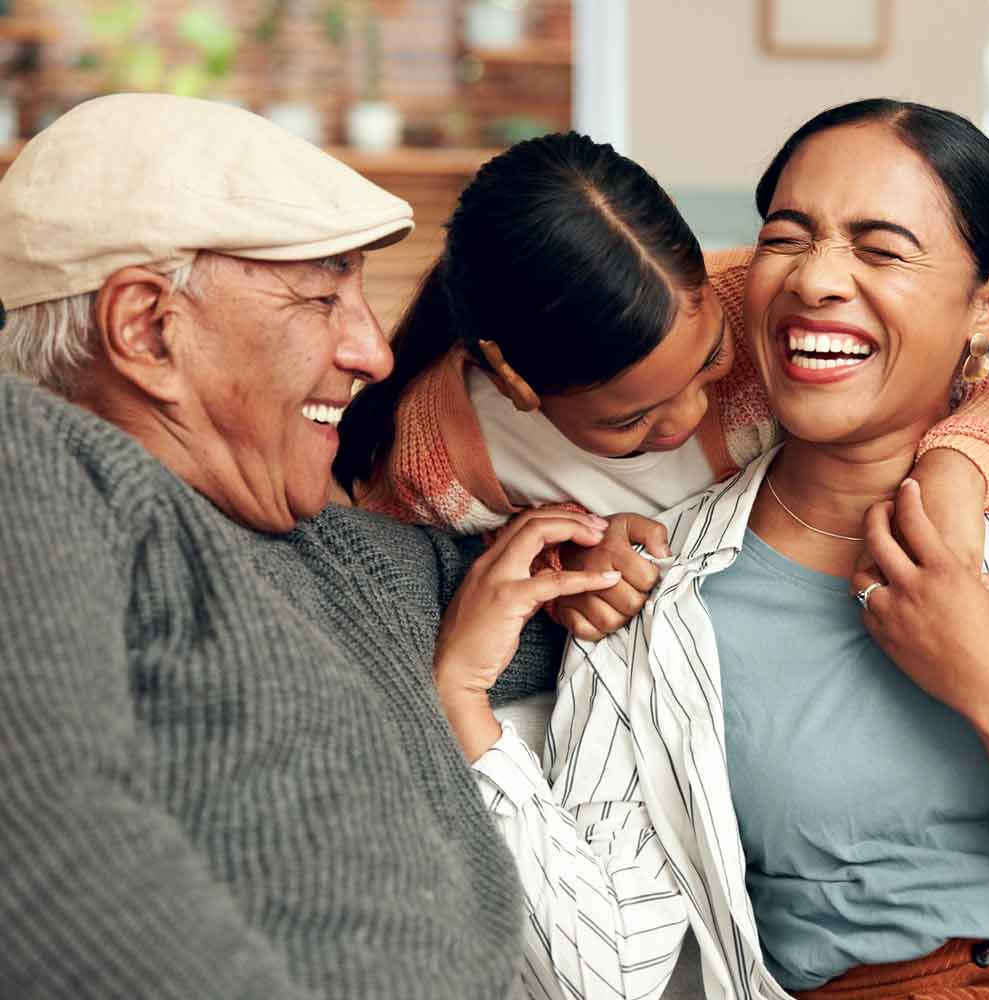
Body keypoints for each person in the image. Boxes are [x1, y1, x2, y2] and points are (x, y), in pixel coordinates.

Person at [433, 99, 989, 1000]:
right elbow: (602, 976)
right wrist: (461, 701)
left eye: (881, 248)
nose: (817, 279)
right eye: (786, 238)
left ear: (987, 306)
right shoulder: (648, 594)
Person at [0, 93, 619, 998]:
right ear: (146, 329)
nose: (373, 352)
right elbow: (49, 852)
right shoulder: (32, 462)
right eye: (323, 297)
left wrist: (616, 557)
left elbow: (574, 603)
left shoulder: (335, 552)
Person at [332, 131, 989, 641]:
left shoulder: (761, 302)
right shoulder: (442, 457)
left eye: (710, 361)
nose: (687, 415)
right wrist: (564, 565)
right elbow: (431, 583)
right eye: (630, 419)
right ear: (515, 381)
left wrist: (958, 464)